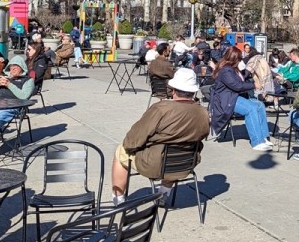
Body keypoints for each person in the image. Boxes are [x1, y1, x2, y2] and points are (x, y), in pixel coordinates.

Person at [109, 68, 211, 205]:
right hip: (185, 164)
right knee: (173, 154)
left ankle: (118, 199)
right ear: (193, 92)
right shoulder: (203, 112)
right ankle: (162, 195)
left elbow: (132, 140)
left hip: (155, 163)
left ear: (173, 89)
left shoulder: (161, 108)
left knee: (121, 151)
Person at [209, 46, 273, 150]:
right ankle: (257, 142)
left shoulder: (232, 69)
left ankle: (263, 137)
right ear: (234, 58)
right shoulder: (225, 70)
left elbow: (241, 80)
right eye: (239, 58)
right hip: (226, 100)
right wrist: (253, 85)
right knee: (251, 108)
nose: (240, 60)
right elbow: (237, 86)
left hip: (233, 97)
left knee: (259, 105)